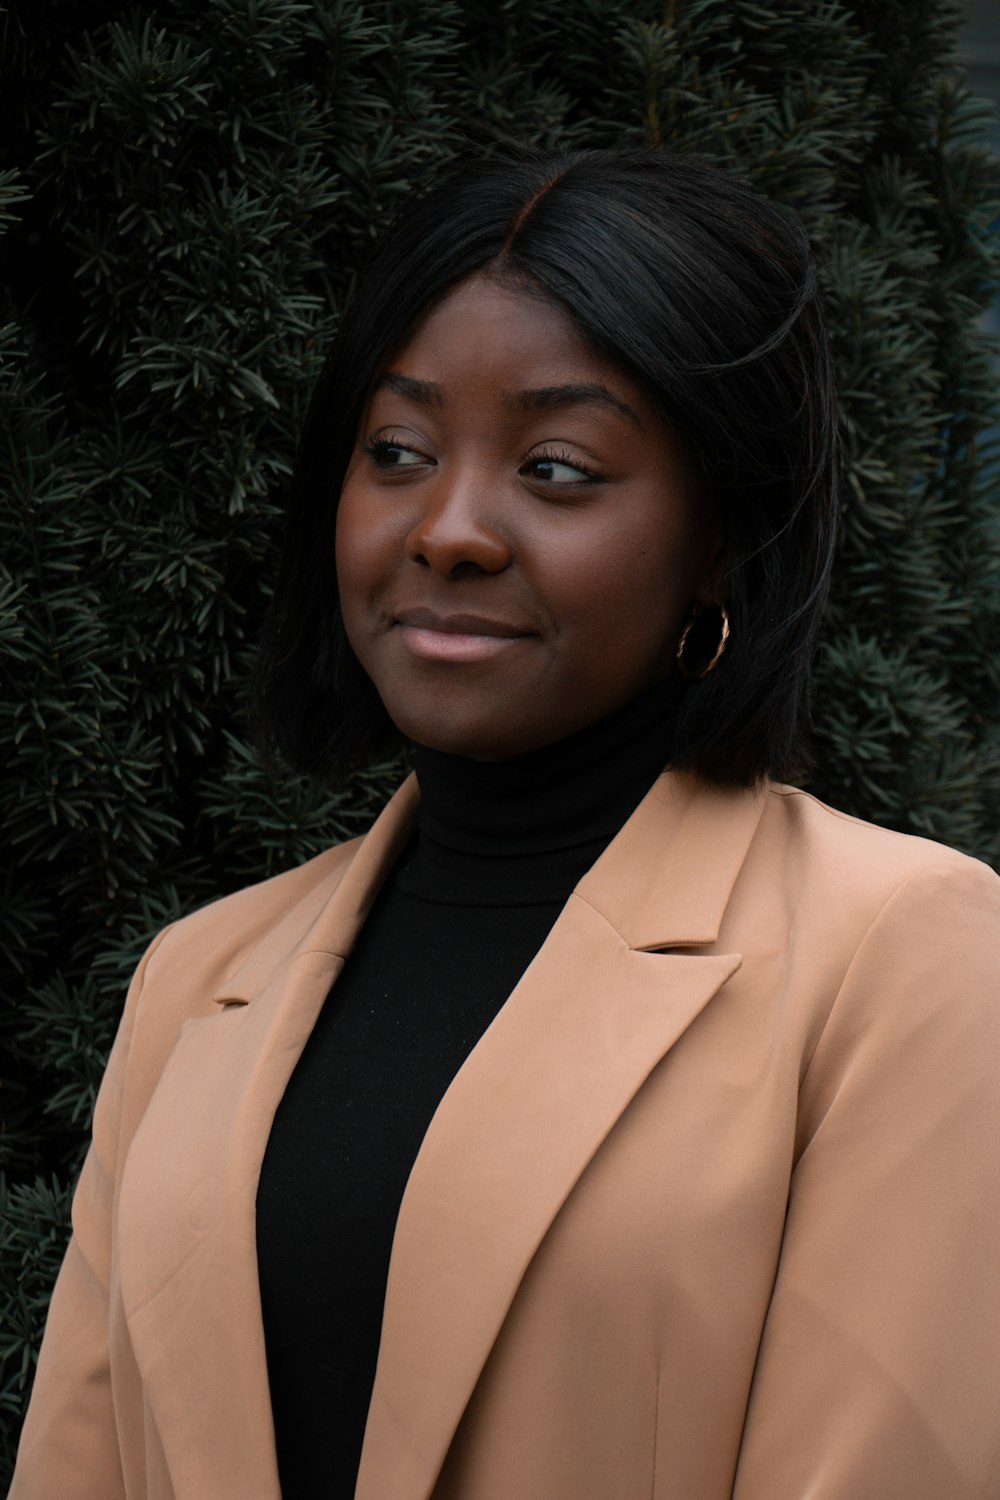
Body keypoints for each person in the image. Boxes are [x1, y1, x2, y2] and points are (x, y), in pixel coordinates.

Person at [11, 148, 1000, 1500]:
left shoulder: (905, 957)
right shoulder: (198, 980)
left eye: (557, 465)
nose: (451, 528)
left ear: (719, 535)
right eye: (398, 451)